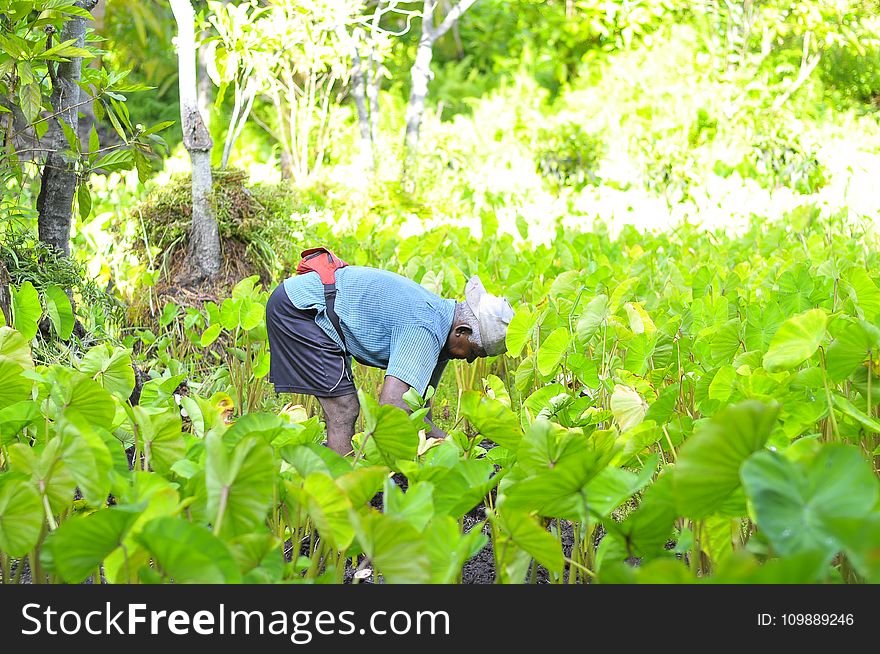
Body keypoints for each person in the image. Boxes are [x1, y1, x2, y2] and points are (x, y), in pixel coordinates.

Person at [265, 255, 514, 456]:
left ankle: (334, 469)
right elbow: (393, 408)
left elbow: (418, 412)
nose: (470, 360)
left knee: (345, 407)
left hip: (313, 305)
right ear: (462, 331)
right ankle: (343, 493)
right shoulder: (425, 328)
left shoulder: (442, 330)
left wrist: (455, 447)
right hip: (300, 309)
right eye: (474, 352)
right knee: (344, 408)